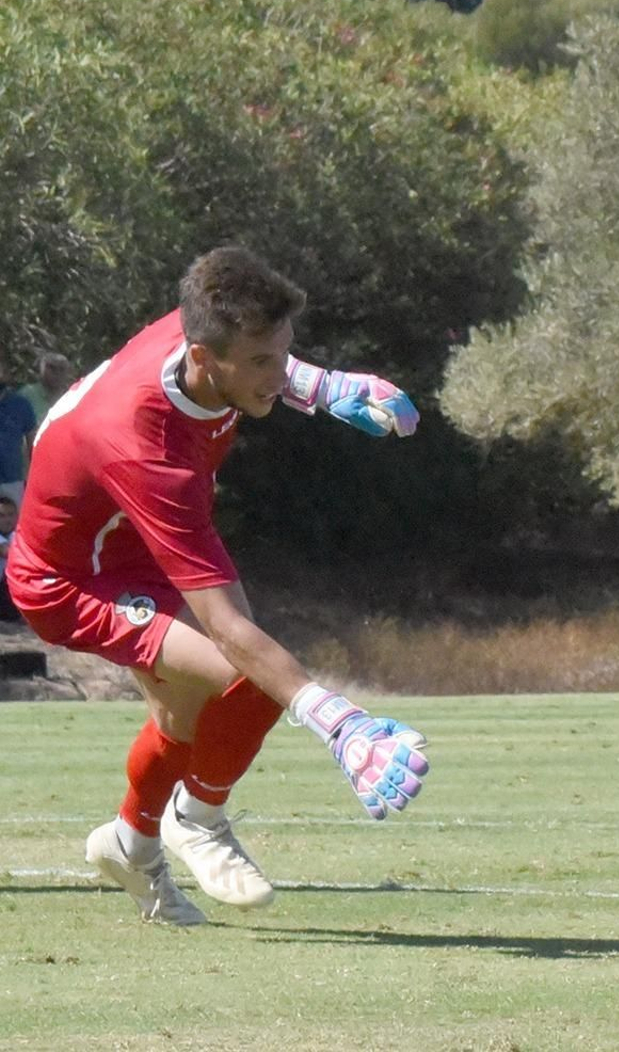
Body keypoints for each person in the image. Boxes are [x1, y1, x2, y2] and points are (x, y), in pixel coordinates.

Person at [4, 246, 431, 926]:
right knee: (247, 673)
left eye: (283, 354)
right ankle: (197, 820)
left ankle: (130, 842)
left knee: (181, 716)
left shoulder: (201, 336)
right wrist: (342, 725)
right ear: (204, 358)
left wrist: (321, 386)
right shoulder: (148, 448)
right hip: (66, 579)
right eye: (262, 364)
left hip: (124, 538)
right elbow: (233, 632)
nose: (276, 373)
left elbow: (251, 351)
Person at [0, 352, 37, 505]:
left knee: (15, 526)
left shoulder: (21, 404)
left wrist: (34, 479)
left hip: (13, 481)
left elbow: (33, 444)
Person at [18, 351, 75, 426]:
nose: (57, 373)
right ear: (41, 368)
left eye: (62, 369)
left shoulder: (73, 399)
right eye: (52, 367)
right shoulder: (27, 394)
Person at [0, 495, 18, 622]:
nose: (7, 520)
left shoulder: (16, 534)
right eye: (2, 516)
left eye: (11, 515)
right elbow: (6, 551)